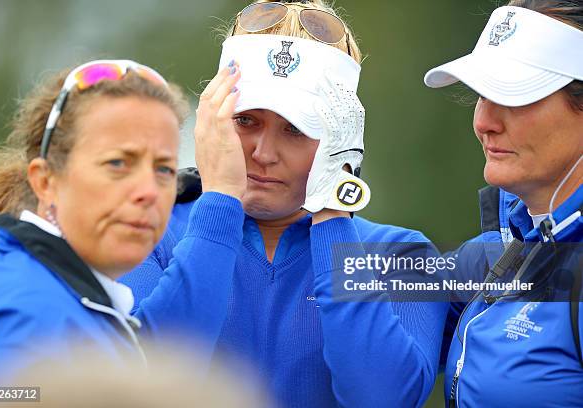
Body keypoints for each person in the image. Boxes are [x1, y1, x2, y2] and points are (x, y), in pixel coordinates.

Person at [122, 1, 448, 407]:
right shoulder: (143, 226)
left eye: (295, 129)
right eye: (246, 121)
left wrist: (332, 211)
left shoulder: (400, 254)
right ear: (213, 118)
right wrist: (220, 201)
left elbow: (383, 398)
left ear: (338, 135)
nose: (263, 152)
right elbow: (142, 378)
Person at [0, 59, 249, 385]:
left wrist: (223, 196)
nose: (148, 191)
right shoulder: (24, 318)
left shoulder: (61, 295)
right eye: (118, 163)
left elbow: (161, 357)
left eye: (163, 169)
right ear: (46, 181)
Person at [424, 0, 583, 406]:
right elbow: (363, 287)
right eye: (481, 94)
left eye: (515, 95)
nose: (484, 122)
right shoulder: (509, 244)